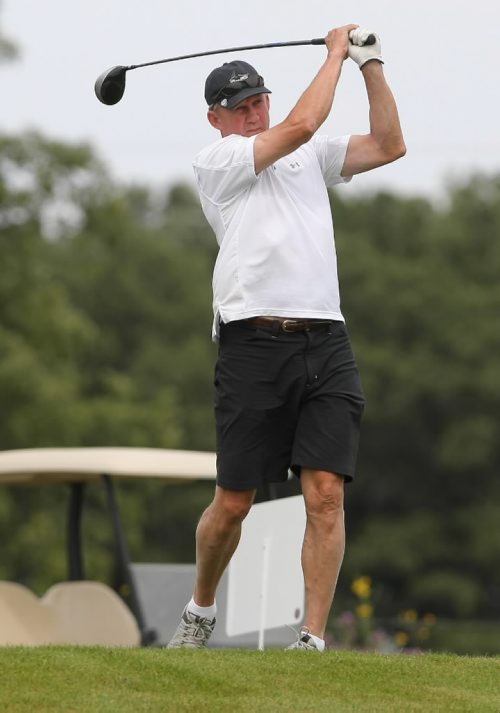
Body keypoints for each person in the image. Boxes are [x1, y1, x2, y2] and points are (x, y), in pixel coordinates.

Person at [167, 24, 405, 651]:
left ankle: (312, 639)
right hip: (251, 341)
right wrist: (333, 54)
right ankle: (200, 609)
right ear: (216, 119)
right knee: (235, 502)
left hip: (326, 339)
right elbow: (298, 127)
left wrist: (369, 64)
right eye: (240, 108)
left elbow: (389, 144)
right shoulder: (216, 161)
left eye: (259, 101)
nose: (254, 114)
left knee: (326, 493)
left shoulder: (311, 156)